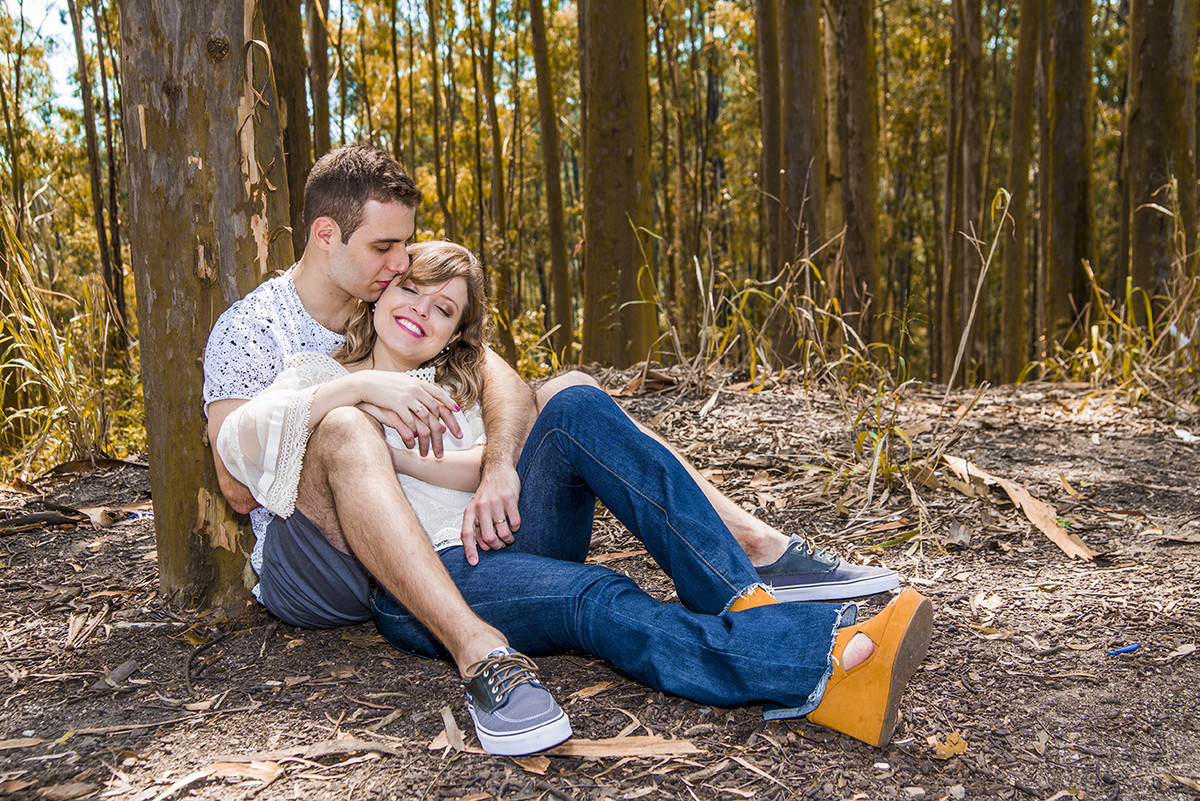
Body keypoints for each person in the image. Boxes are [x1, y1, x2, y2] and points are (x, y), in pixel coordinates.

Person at [214, 240, 934, 755]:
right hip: (427, 584)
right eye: (412, 290)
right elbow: (241, 441)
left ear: (449, 339)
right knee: (598, 595)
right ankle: (819, 670)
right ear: (381, 292)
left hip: (506, 539)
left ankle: (740, 597)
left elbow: (503, 441)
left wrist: (461, 461)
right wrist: (360, 398)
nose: (420, 312)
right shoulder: (312, 374)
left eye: (442, 310)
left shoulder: (453, 391)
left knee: (580, 404)